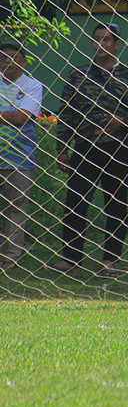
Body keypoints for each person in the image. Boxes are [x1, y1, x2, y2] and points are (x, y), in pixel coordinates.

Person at [49, 23, 128, 277]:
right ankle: (71, 258)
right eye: (97, 40)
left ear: (117, 45)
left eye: (107, 40)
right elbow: (67, 114)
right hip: (85, 147)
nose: (101, 45)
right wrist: (62, 148)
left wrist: (124, 122)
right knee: (75, 202)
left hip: (118, 148)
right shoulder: (78, 75)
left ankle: (110, 261)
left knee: (116, 204)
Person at [0, 41, 44, 271]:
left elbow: (21, 118)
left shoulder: (33, 86)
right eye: (4, 57)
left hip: (19, 157)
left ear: (24, 61)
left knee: (16, 206)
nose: (8, 61)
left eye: (14, 56)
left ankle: (11, 256)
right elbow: (14, 115)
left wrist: (10, 115)